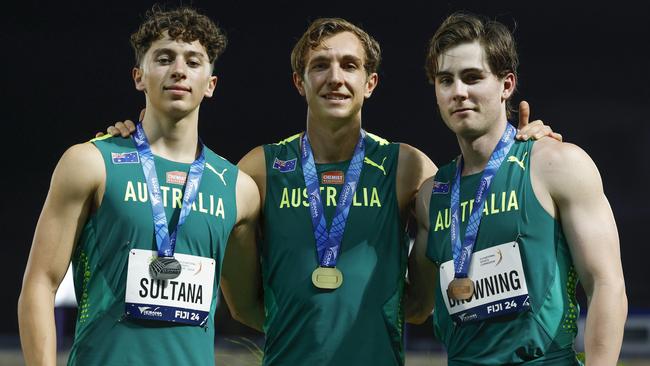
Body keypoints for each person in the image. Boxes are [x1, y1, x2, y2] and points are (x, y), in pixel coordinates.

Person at [105, 17, 556, 366]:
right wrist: (135, 138)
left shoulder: (406, 167)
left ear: (370, 83)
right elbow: (241, 303)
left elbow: (425, 295)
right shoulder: (259, 169)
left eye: (350, 65)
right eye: (319, 66)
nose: (335, 77)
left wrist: (519, 145)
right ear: (300, 82)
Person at [17, 6, 260, 366]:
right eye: (164, 59)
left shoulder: (239, 189)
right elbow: (39, 285)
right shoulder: (91, 163)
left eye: (193, 62)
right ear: (138, 77)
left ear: (210, 85)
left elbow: (246, 307)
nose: (179, 70)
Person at [406, 13, 627, 365]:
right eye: (445, 80)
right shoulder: (432, 195)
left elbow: (606, 284)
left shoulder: (557, 164)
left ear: (506, 85)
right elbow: (417, 307)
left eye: (473, 77)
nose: (459, 91)